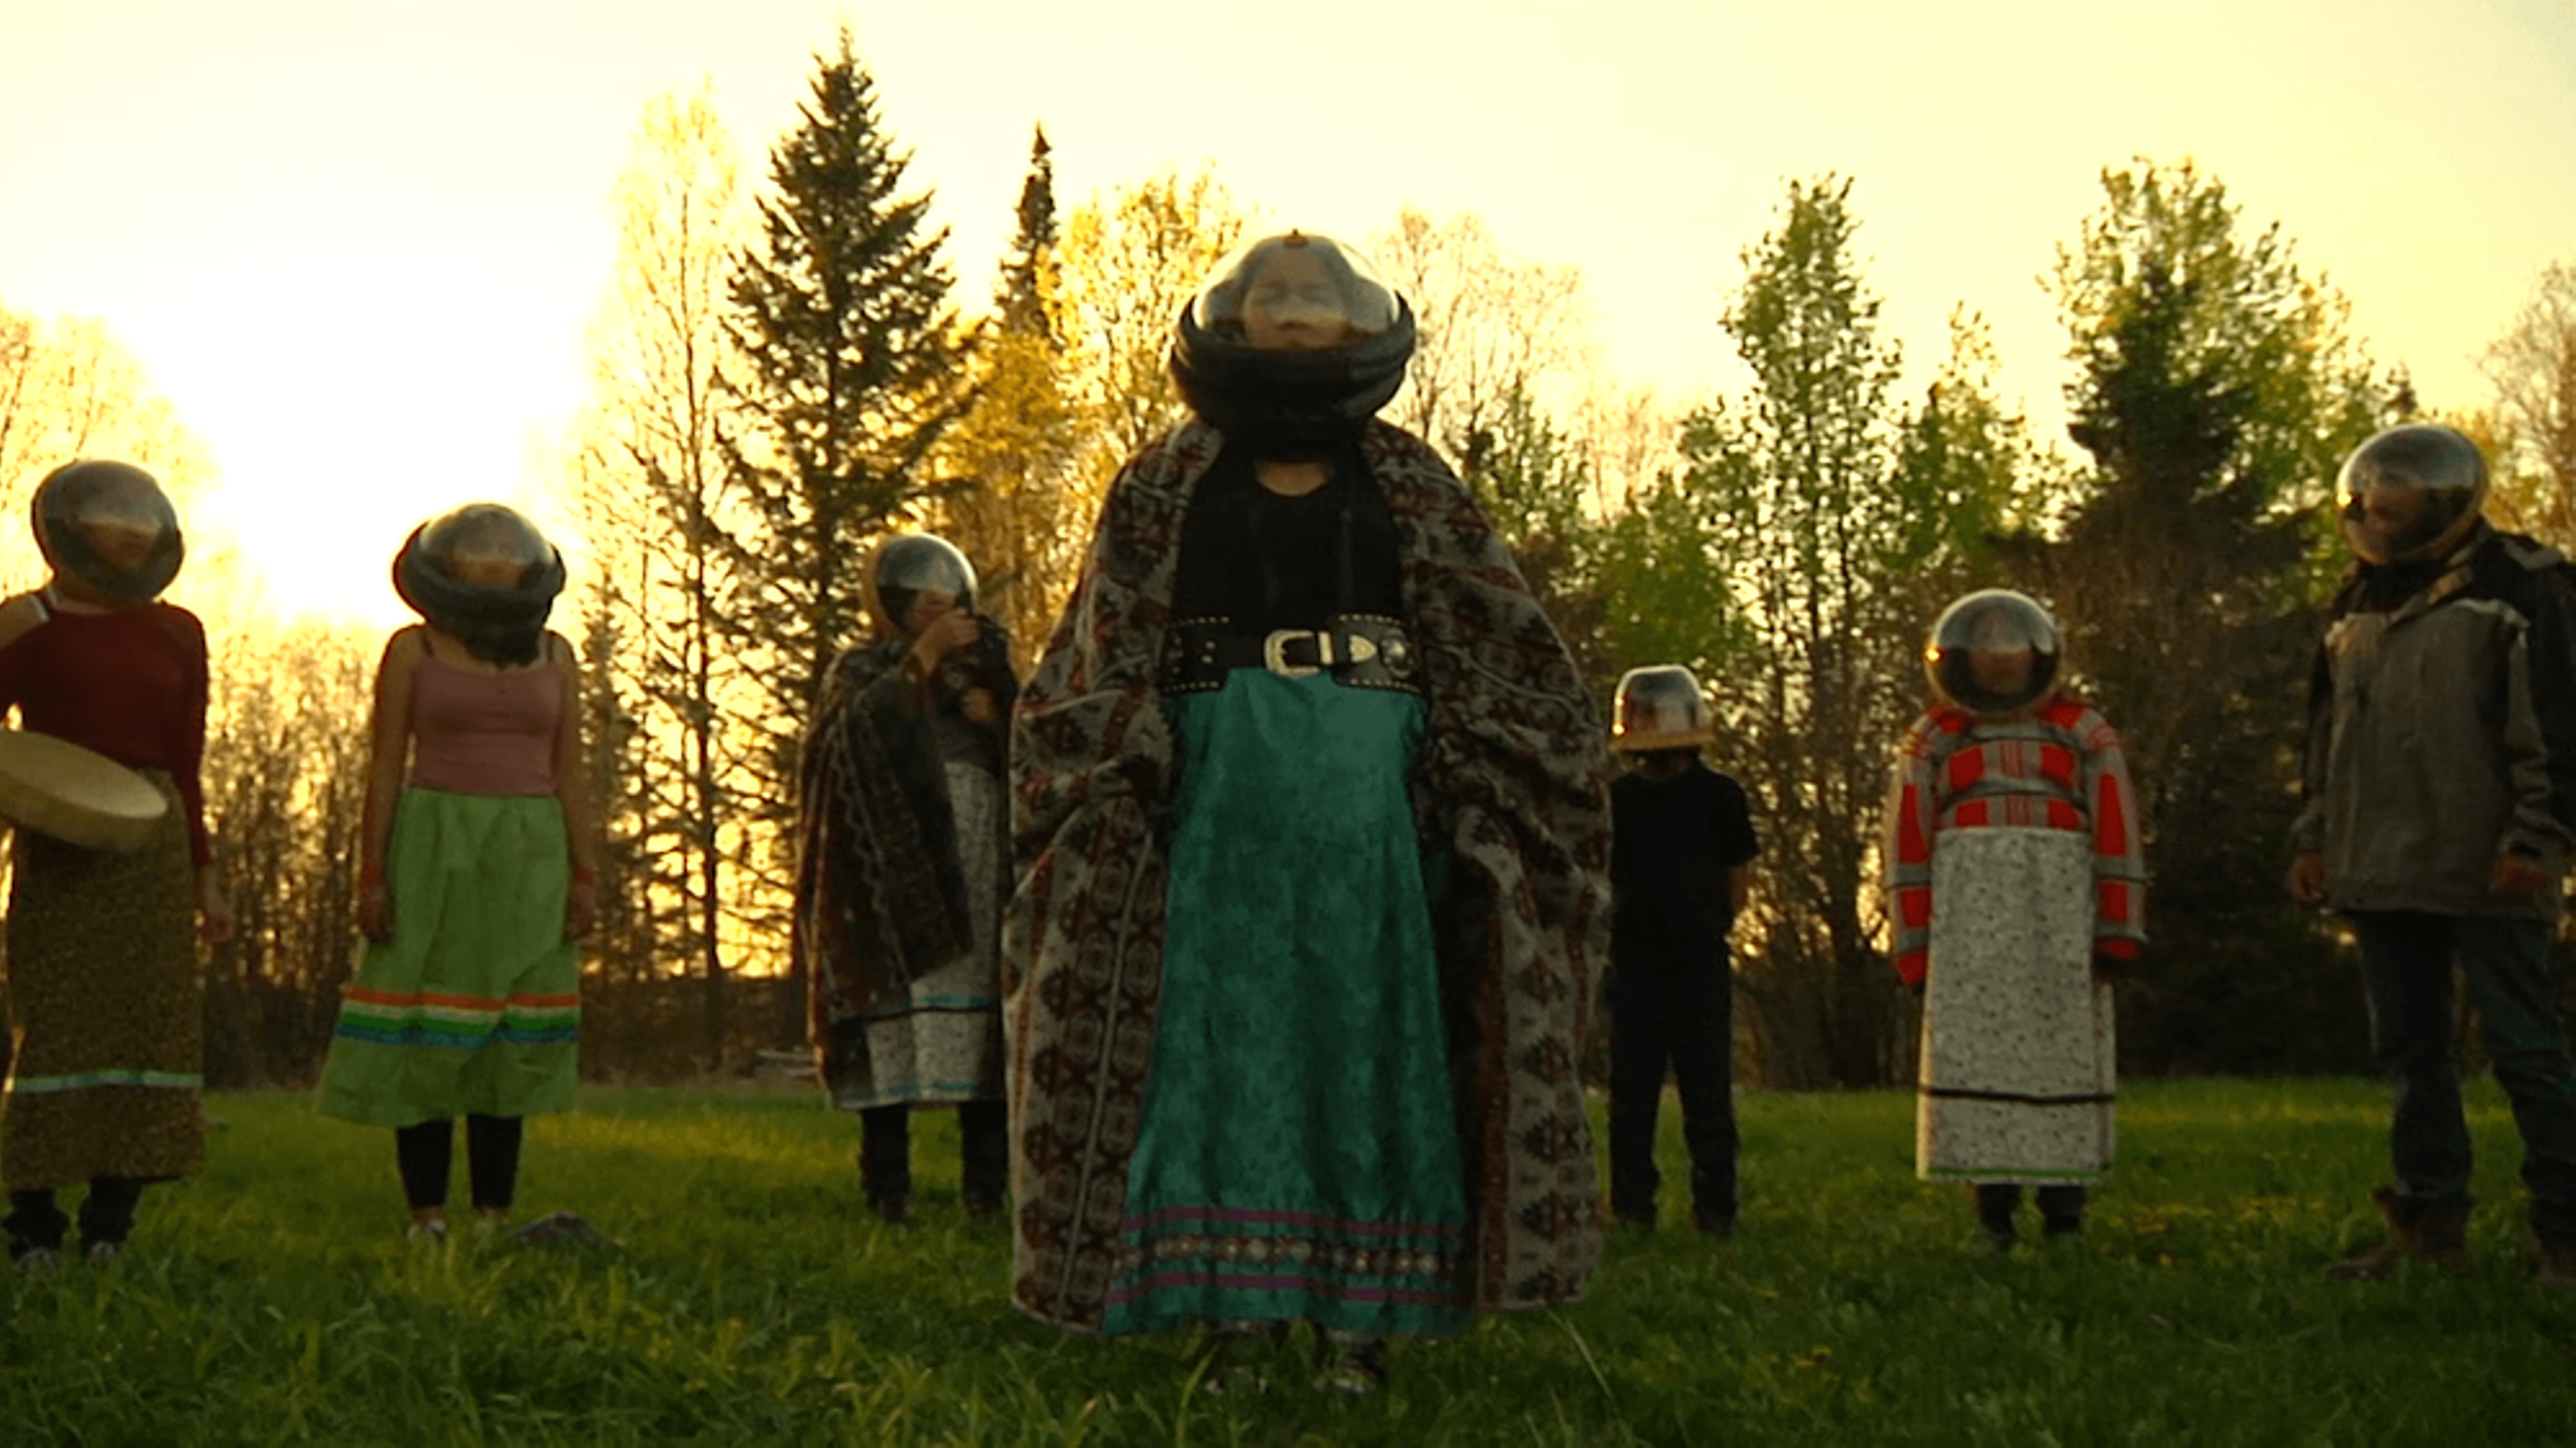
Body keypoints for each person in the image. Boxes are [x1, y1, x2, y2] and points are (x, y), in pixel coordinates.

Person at [1004, 231, 1609, 1388]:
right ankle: (1235, 1307)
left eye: (1315, 298)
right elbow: (1098, 646)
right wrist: (1123, 759)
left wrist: (1469, 775)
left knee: (1364, 1030)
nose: (1291, 313)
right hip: (1215, 783)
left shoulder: (1413, 480)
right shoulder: (1166, 479)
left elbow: (1501, 645)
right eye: (1271, 295)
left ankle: (1358, 1316)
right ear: (1230, 323)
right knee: (1219, 1036)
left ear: (1355, 326)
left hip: (1365, 793)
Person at [2288, 422, 2576, 1284]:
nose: (2385, 514)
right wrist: (2314, 840)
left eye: (2402, 499)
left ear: (2445, 499)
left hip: (2490, 864)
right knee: (2412, 1056)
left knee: (2527, 1050)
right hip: (2380, 865)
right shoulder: (2355, 601)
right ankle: (2427, 1224)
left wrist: (2538, 841)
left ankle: (2565, 1233)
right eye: (2376, 500)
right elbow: (2323, 736)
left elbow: (2557, 725)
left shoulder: (2524, 588)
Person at [315, 504, 593, 1243]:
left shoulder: (558, 654)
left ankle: (494, 1217)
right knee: (427, 1033)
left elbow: (570, 768)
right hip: (435, 842)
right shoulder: (413, 650)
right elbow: (383, 764)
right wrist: (370, 874)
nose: (496, 565)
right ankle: (427, 1216)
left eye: (508, 557)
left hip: (530, 851)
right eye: (480, 556)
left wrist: (584, 874)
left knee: (510, 1036)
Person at [0, 460, 231, 1270]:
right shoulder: (26, 623)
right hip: (59, 833)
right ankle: (33, 1223)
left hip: (153, 839)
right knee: (56, 1019)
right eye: (109, 522)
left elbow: (188, 759)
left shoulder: (179, 631)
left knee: (144, 1020)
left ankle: (111, 1225)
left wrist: (205, 872)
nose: (125, 535)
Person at [1884, 588, 2143, 1248]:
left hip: (2059, 918)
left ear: (2038, 653)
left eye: (2012, 646)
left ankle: (2065, 1212)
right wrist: (1914, 946)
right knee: (1980, 1060)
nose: (2000, 661)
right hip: (1968, 922)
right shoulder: (1935, 737)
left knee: (2062, 1056)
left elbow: (2117, 828)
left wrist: (2117, 925)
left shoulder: (2083, 731)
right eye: (1986, 647)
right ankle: (1991, 1213)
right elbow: (1906, 843)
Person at [794, 532, 1013, 1224]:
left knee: (986, 1032)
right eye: (918, 594)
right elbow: (845, 743)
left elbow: (1046, 747)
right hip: (889, 887)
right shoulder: (858, 669)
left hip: (980, 866)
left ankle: (987, 1192)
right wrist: (921, 663)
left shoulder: (995, 671)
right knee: (894, 1027)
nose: (934, 603)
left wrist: (1002, 719)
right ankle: (889, 1190)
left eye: (945, 593)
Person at [1605, 664, 1758, 1235]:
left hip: (1700, 960)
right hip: (1635, 962)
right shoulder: (1616, 799)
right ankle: (1631, 1207)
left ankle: (1716, 1209)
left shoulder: (1721, 796)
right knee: (1632, 1095)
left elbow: (1737, 875)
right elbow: (1606, 878)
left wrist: (1712, 923)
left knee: (1708, 1092)